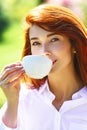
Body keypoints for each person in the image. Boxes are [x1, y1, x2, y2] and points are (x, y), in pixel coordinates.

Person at [0, 4, 87, 130]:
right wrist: (12, 102)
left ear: (73, 43)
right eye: (36, 43)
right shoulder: (23, 97)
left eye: (54, 39)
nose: (44, 51)